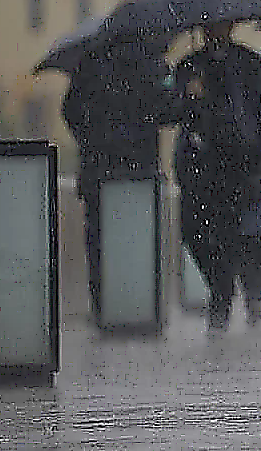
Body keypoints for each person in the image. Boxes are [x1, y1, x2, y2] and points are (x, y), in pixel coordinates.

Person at [173, 21, 261, 333]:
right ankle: (222, 292)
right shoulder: (190, 67)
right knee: (203, 236)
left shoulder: (249, 64)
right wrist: (190, 97)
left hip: (245, 166)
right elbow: (176, 114)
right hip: (204, 169)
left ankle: (251, 296)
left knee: (252, 237)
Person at [61, 34, 178, 328]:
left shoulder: (88, 64)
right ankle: (140, 306)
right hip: (139, 170)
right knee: (139, 239)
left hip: (99, 170)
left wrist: (91, 139)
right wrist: (186, 93)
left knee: (99, 241)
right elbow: (167, 113)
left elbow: (70, 112)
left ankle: (104, 308)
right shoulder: (149, 64)